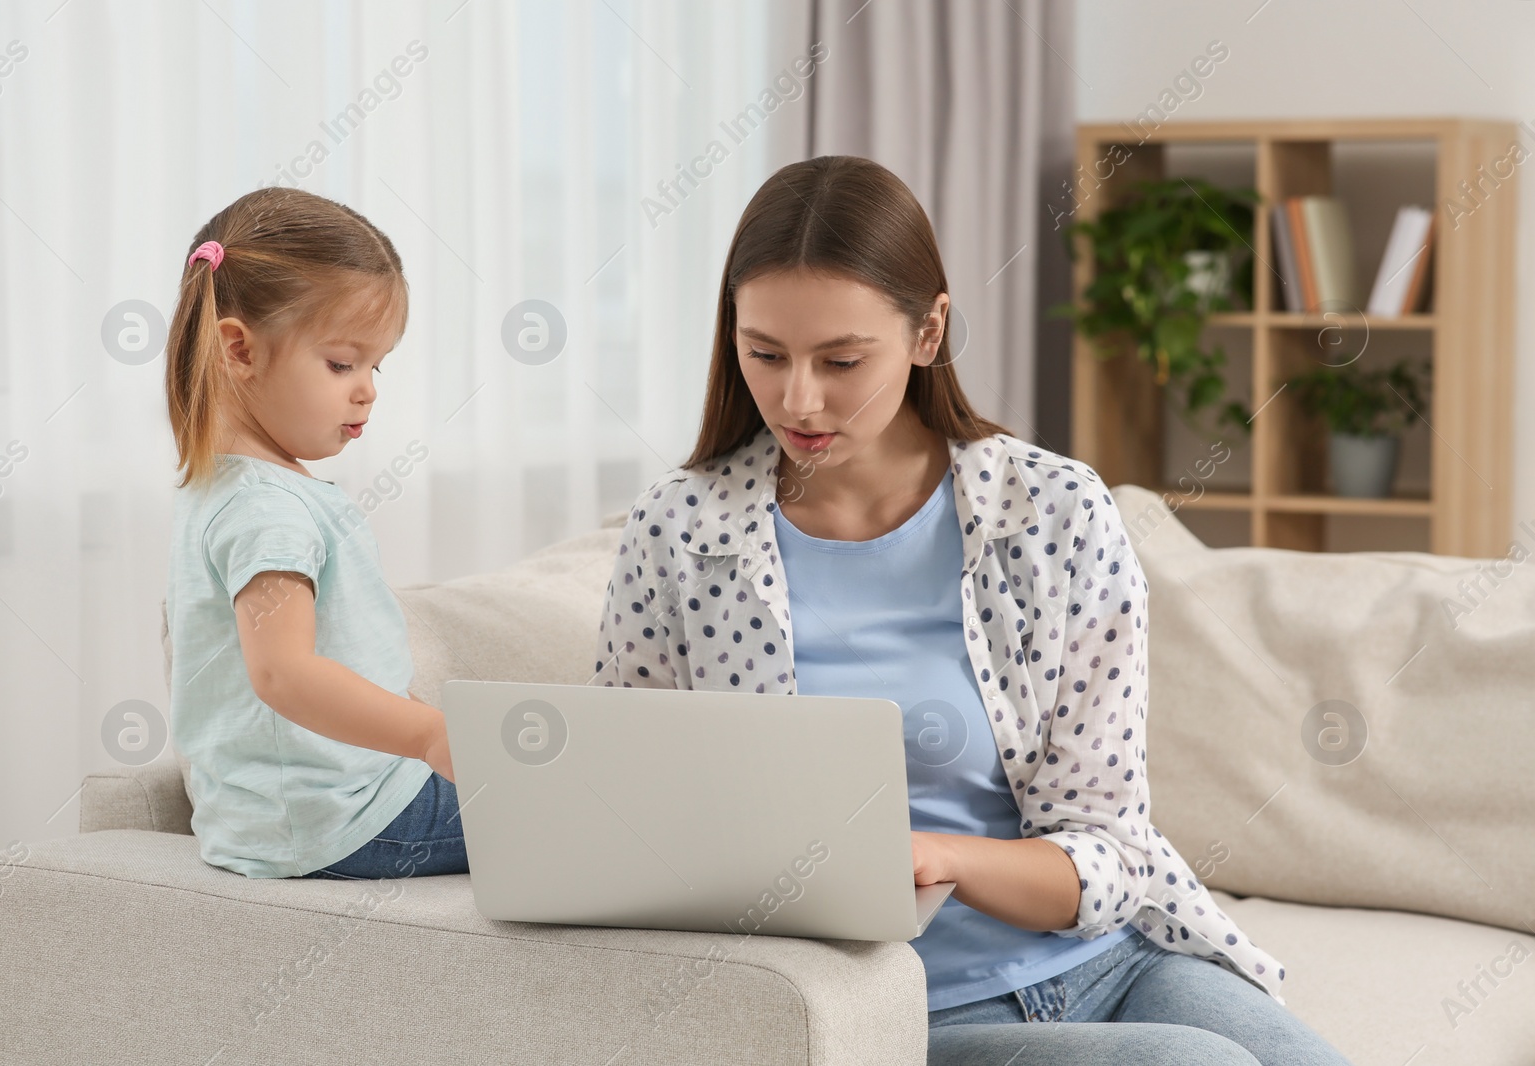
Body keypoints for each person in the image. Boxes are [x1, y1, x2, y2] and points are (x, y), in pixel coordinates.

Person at [594, 156, 1352, 1065]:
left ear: (927, 332)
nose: (798, 398)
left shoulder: (1056, 512)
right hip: (890, 1016)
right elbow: (630, 820)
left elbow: (1110, 849)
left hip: (1112, 960)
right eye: (765, 353)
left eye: (841, 360)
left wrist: (939, 857)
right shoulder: (679, 533)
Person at [164, 187, 463, 883]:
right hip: (340, 822)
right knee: (580, 813)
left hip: (287, 818)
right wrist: (428, 735)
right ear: (239, 349)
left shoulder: (228, 488)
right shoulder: (268, 510)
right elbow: (283, 673)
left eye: (375, 365)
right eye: (341, 363)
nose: (368, 390)